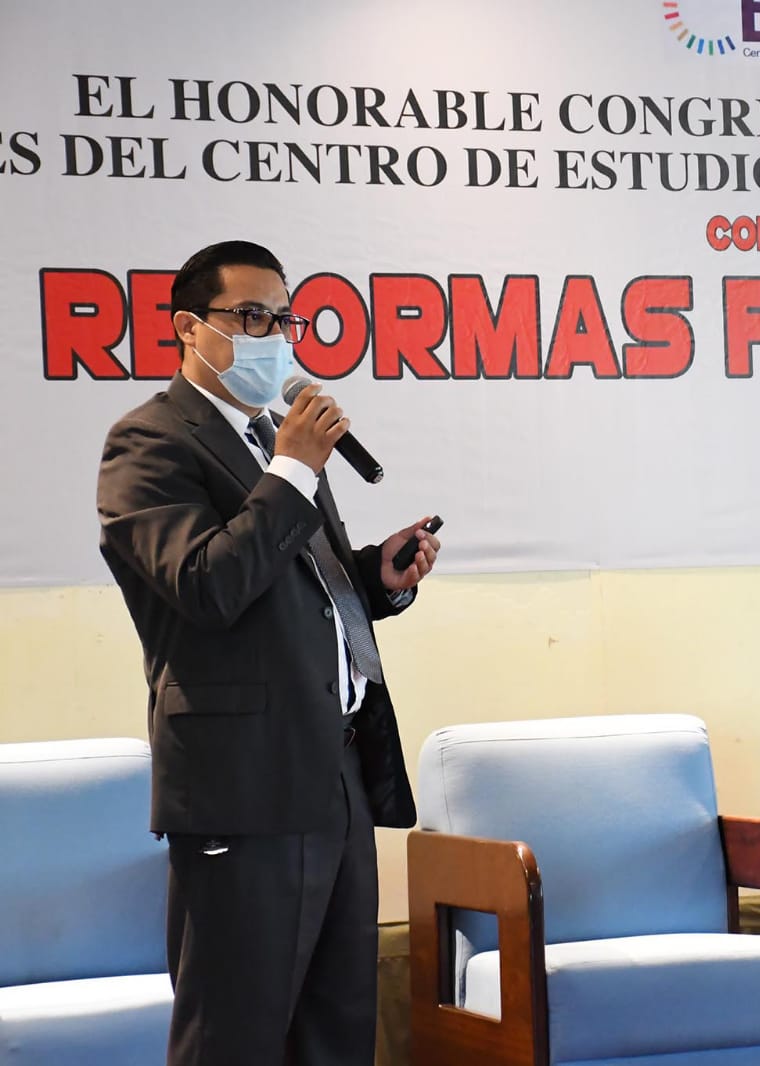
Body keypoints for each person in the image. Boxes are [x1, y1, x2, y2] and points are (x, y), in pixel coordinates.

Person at [96, 240, 441, 1066]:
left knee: (337, 1028)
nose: (274, 335)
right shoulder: (149, 443)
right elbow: (207, 586)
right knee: (235, 1035)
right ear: (189, 327)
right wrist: (291, 468)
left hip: (335, 772)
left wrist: (375, 577)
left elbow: (289, 592)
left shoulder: (274, 445)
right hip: (244, 787)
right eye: (250, 316)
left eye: (283, 318)